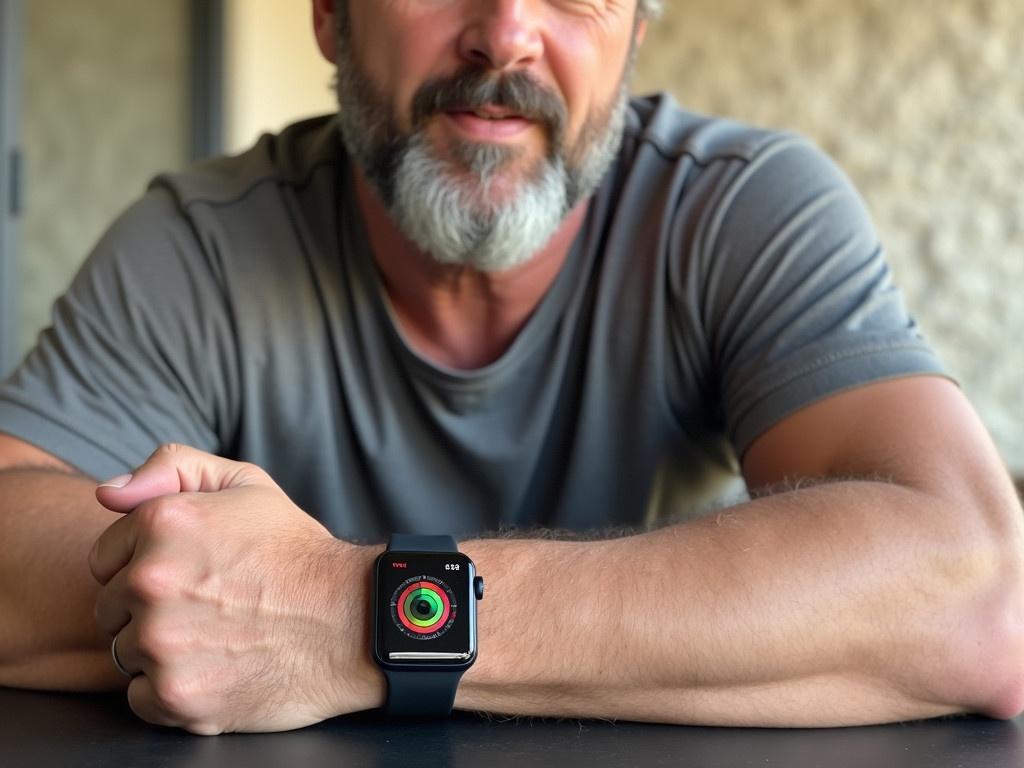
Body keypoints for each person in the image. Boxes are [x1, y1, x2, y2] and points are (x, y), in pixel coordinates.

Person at [0, 0, 1021, 735]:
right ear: (329, 17)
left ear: (633, 37)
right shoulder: (199, 244)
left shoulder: (741, 210)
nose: (506, 33)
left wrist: (341, 609)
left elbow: (978, 594)